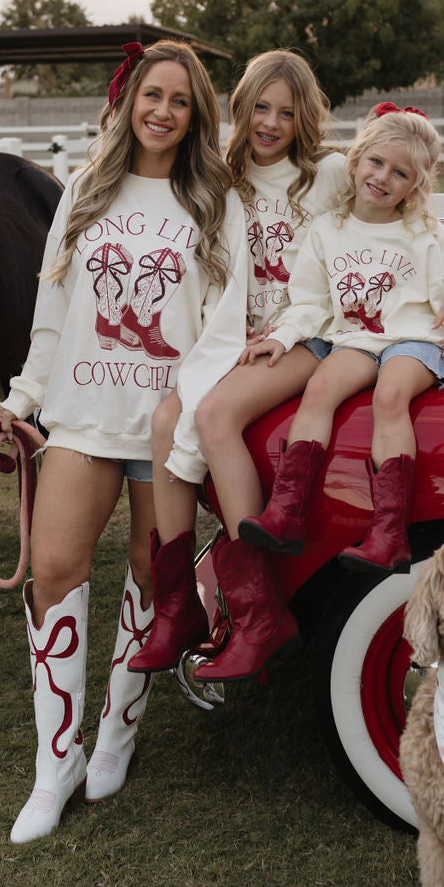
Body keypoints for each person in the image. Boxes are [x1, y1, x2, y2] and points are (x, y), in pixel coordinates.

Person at [0, 40, 248, 842]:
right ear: (129, 101)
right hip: (83, 414)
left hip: (167, 417)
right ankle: (53, 760)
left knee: (147, 572)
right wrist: (22, 395)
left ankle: (118, 731)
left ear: (196, 114)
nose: (162, 111)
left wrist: (188, 405)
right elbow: (53, 308)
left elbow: (226, 318)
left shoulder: (213, 199)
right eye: (151, 95)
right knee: (54, 565)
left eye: (180, 100)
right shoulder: (87, 189)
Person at [129, 50, 347, 684]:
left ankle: (256, 608)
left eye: (286, 111)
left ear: (305, 116)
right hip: (235, 337)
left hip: (309, 333)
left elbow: (390, 226)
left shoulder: (326, 174)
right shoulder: (224, 178)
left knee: (218, 412)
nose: (271, 123)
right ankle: (177, 609)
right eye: (260, 107)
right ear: (240, 107)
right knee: (167, 419)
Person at [238, 102, 444, 574]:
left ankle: (389, 532)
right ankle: (287, 511)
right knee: (320, 387)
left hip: (415, 339)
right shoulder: (329, 229)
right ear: (357, 159)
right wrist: (282, 339)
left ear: (416, 185)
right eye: (377, 162)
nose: (384, 178)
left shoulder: (421, 229)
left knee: (390, 395)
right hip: (357, 339)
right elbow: (308, 303)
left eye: (401, 173)